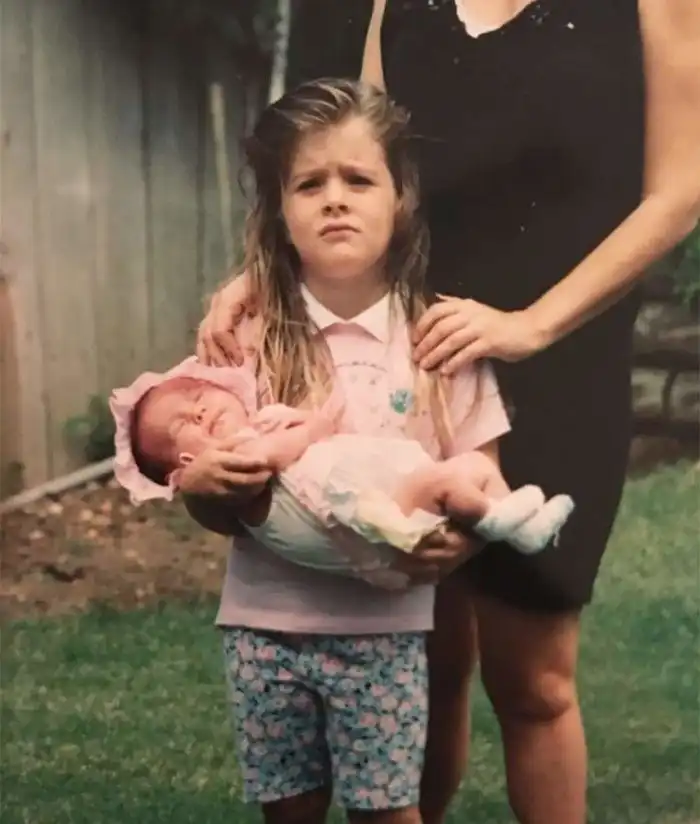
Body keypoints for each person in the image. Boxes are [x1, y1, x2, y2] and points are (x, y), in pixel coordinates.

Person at [195, 3, 700, 823]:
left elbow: (678, 193)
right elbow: (360, 156)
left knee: (534, 681)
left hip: (559, 368)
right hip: (413, 363)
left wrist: (531, 325)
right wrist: (269, 273)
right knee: (423, 664)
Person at [169, 77, 517, 824]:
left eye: (358, 180)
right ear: (279, 209)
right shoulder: (243, 341)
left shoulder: (439, 340)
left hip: (385, 634)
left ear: (402, 199)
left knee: (388, 815)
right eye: (309, 184)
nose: (335, 199)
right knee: (290, 813)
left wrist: (461, 540)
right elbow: (214, 505)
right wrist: (200, 485)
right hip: (263, 628)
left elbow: (484, 475)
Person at [109, 359, 575, 585]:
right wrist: (305, 430)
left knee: (472, 466)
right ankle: (492, 521)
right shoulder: (238, 463)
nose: (198, 412)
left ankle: (522, 529)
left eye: (198, 397)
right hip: (377, 525)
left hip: (382, 505)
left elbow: (315, 428)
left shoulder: (266, 419)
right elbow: (276, 455)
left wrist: (304, 424)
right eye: (182, 427)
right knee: (443, 483)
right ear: (187, 466)